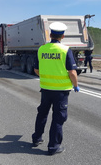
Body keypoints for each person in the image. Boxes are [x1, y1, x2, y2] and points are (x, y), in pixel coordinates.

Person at [31, 22, 80, 155]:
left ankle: (36, 138)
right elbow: (72, 72)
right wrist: (75, 85)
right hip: (61, 92)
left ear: (50, 34)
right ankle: (53, 147)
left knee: (42, 113)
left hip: (46, 89)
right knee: (58, 118)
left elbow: (36, 69)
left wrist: (47, 78)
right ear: (62, 36)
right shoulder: (65, 50)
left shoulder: (42, 49)